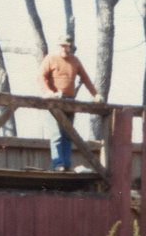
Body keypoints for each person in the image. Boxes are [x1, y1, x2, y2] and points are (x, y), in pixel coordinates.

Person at [39, 35, 102, 171]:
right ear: (58, 46)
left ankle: (66, 164)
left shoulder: (75, 61)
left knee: (68, 134)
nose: (64, 48)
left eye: (66, 45)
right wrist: (49, 92)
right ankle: (58, 164)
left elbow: (85, 78)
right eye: (62, 45)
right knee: (56, 134)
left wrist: (95, 94)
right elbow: (41, 77)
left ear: (70, 46)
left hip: (69, 101)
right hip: (54, 101)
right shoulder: (51, 58)